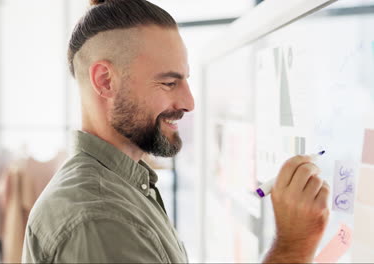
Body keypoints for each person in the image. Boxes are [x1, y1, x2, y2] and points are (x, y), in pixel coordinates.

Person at [22, 0, 330, 262]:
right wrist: (293, 246)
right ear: (105, 81)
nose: (189, 102)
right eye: (169, 83)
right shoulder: (102, 220)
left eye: (185, 80)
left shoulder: (124, 187)